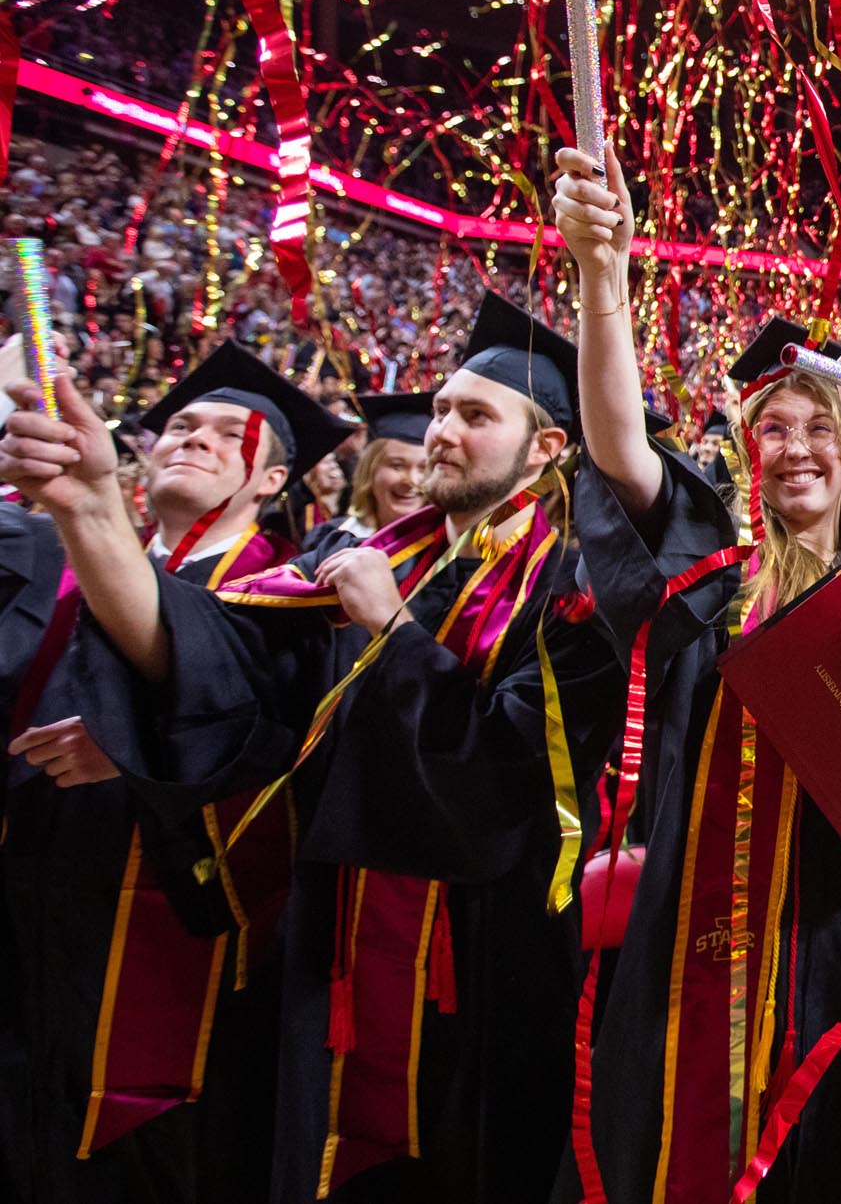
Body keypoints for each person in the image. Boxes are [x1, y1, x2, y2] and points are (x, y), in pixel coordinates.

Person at [0, 292, 626, 1202]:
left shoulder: (573, 591)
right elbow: (218, 661)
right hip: (330, 970)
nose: (443, 430)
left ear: (548, 448)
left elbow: (503, 781)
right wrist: (93, 503)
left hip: (482, 975)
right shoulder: (348, 568)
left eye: (476, 415)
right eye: (442, 408)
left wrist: (393, 627)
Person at [550, 149, 841, 1203]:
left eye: (822, 429)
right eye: (775, 427)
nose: (798, 447)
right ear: (746, 447)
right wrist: (602, 272)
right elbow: (621, 446)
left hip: (833, 941)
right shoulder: (708, 580)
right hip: (691, 937)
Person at [0, 342, 349, 1204]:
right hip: (36, 918)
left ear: (271, 482)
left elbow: (273, 751)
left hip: (176, 954)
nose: (194, 437)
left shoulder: (296, 597)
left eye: (231, 434)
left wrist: (137, 740)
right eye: (181, 424)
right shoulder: (63, 574)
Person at [302, 391, 431, 551]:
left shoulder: (447, 551)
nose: (411, 480)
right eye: (397, 466)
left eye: (424, 468)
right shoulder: (330, 542)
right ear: (370, 469)